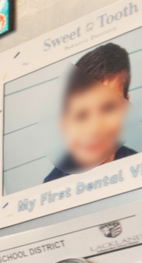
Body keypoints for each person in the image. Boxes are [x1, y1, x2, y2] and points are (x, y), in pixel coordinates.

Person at [45, 40, 136, 180]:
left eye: (109, 108)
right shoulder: (52, 185)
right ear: (65, 122)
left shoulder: (137, 165)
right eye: (81, 115)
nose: (95, 128)